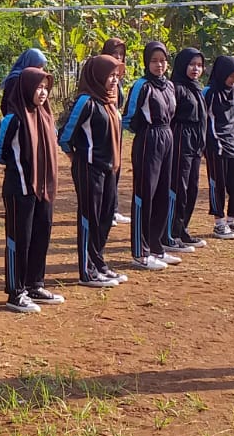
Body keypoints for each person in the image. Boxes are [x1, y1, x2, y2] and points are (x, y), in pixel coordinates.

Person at [0, 66, 61, 312]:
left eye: (45, 88)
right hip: (20, 189)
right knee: (19, 239)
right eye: (38, 87)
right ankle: (15, 291)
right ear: (26, 88)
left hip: (44, 188)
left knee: (41, 235)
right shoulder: (14, 118)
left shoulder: (47, 116)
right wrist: (19, 166)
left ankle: (35, 284)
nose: (42, 93)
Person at [59, 54, 124, 287]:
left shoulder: (110, 101)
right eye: (110, 75)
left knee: (106, 216)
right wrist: (77, 159)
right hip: (89, 168)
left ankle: (98, 261)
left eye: (117, 76)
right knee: (90, 217)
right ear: (97, 76)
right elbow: (65, 136)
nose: (114, 80)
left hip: (110, 168)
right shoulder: (86, 102)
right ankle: (86, 270)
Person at [123, 41, 179, 271]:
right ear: (147, 62)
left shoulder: (169, 86)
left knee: (163, 194)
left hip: (168, 136)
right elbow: (128, 118)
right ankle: (140, 251)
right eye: (154, 61)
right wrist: (147, 132)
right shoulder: (142, 85)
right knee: (145, 194)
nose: (159, 65)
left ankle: (156, 246)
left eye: (162, 60)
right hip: (149, 138)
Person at [204, 55, 234, 240]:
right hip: (215, 145)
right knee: (218, 185)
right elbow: (203, 120)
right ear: (221, 73)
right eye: (230, 76)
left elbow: (233, 118)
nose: (233, 80)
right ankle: (219, 224)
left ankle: (232, 220)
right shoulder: (209, 93)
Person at [164, 47, 208, 254]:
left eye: (199, 65)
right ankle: (169, 233)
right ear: (182, 66)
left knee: (192, 188)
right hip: (180, 139)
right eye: (192, 65)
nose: (195, 69)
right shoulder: (176, 87)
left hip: (196, 142)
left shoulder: (196, 88)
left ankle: (182, 230)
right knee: (178, 189)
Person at [101, 39, 132, 225]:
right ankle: (106, 211)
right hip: (104, 126)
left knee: (116, 167)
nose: (118, 57)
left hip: (116, 125)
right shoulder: (99, 73)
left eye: (121, 54)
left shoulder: (117, 77)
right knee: (106, 168)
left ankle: (113, 208)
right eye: (115, 53)